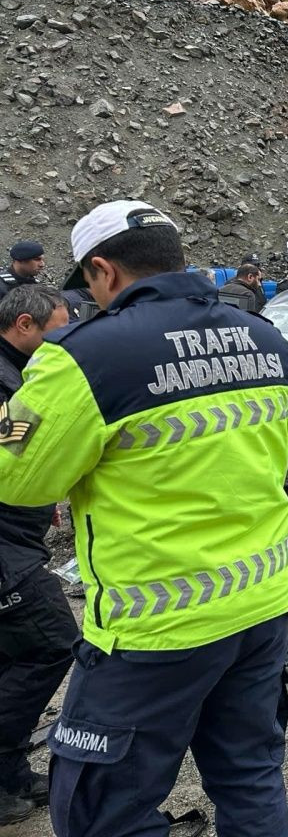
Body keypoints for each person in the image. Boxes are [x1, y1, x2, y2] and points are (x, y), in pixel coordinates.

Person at [0, 200, 288, 837]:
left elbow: (17, 478)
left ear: (104, 270)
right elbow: (285, 444)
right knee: (249, 778)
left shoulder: (82, 357)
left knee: (100, 814)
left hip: (156, 625)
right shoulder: (266, 338)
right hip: (261, 603)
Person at [0, 286, 74, 825]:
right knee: (52, 643)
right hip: (5, 550)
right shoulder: (7, 381)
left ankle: (10, 773)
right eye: (59, 330)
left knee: (11, 655)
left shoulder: (19, 371)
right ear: (25, 324)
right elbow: (11, 459)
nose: (67, 340)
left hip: (15, 535)